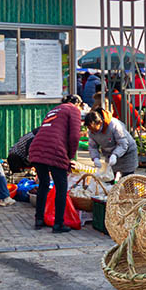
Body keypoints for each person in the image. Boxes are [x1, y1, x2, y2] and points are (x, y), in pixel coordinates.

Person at [28, 95, 83, 232]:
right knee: (61, 187)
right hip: (54, 149)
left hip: (37, 148)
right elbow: (75, 136)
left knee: (43, 184)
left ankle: (39, 220)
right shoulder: (73, 110)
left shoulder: (54, 110)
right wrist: (69, 158)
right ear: (76, 103)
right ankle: (58, 224)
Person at [84, 107, 138, 179]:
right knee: (108, 178)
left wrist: (115, 155)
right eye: (89, 128)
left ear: (100, 123)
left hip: (127, 153)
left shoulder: (114, 125)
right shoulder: (91, 132)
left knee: (127, 179)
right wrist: (95, 158)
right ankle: (112, 190)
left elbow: (123, 143)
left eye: (93, 128)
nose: (92, 131)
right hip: (110, 155)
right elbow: (92, 146)